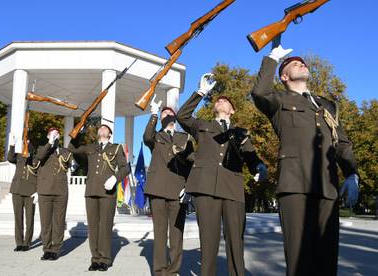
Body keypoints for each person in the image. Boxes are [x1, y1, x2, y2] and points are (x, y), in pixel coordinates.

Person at [250, 36, 359, 276]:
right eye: (294, 64)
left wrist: (352, 174)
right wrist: (272, 58)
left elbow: (341, 142)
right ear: (284, 77)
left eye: (303, 63)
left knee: (327, 261)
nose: (301, 64)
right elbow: (259, 92)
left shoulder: (326, 105)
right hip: (295, 184)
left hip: (327, 187)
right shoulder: (278, 101)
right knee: (300, 262)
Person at [176, 74, 267, 276]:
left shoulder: (241, 134)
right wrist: (200, 92)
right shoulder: (202, 126)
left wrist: (259, 167)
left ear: (232, 110)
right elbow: (182, 116)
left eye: (225, 101)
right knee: (208, 240)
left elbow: (251, 157)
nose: (220, 101)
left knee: (236, 240)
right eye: (218, 100)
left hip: (232, 188)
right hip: (205, 186)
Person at [143, 95, 194, 275]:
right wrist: (154, 114)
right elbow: (146, 136)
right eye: (164, 113)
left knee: (176, 235)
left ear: (175, 117)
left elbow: (191, 163)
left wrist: (188, 188)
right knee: (160, 233)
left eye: (169, 112)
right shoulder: (156, 136)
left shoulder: (184, 138)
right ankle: (159, 271)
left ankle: (173, 271)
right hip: (157, 189)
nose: (167, 114)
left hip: (177, 190)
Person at [68, 124, 129, 271]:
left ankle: (105, 259)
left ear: (109, 134)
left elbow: (125, 168)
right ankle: (95, 259)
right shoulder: (90, 147)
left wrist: (115, 179)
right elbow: (72, 149)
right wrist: (77, 134)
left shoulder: (116, 148)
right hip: (91, 191)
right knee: (93, 227)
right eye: (100, 128)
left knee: (105, 226)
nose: (101, 129)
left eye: (105, 128)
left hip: (108, 193)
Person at [36, 127, 75, 261]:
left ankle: (56, 249)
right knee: (46, 222)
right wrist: (50, 143)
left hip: (60, 191)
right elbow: (39, 157)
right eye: (52, 133)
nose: (55, 135)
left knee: (58, 221)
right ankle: (47, 249)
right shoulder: (42, 148)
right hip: (45, 190)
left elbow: (71, 165)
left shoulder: (64, 151)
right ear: (48, 136)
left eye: (57, 133)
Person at [7, 135, 39, 252]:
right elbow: (10, 158)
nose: (26, 144)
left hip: (30, 191)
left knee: (29, 218)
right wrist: (12, 145)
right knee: (18, 218)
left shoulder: (36, 159)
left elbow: (39, 175)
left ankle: (27, 243)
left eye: (28, 143)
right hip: (17, 190)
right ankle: (19, 242)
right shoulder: (19, 156)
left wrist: (38, 192)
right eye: (25, 143)